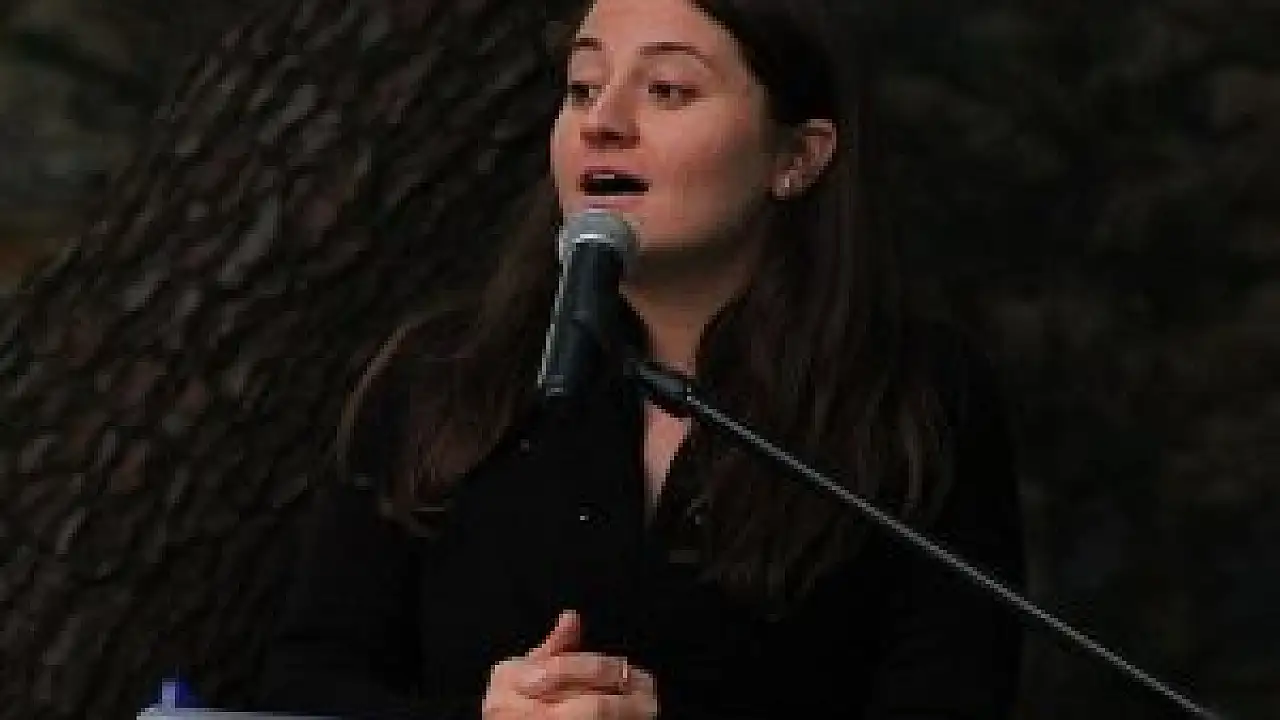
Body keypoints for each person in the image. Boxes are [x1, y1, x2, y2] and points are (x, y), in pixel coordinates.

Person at [255, 0, 1026, 717]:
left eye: (666, 90)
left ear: (797, 156)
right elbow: (309, 682)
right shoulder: (440, 374)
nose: (603, 122)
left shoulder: (915, 397)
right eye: (583, 86)